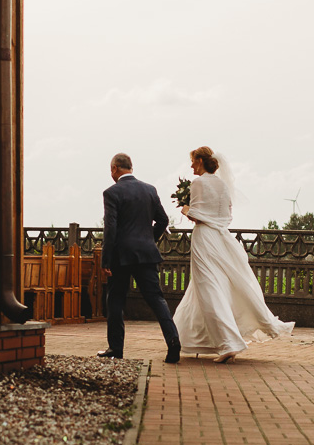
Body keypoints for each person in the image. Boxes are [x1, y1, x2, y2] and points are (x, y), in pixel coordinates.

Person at [176, 146, 294, 363]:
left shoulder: (198, 183)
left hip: (204, 239)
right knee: (215, 286)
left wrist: (185, 210)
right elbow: (226, 215)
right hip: (221, 237)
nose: (191, 165)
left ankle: (229, 342)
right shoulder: (222, 184)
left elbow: (197, 214)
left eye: (193, 161)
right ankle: (204, 339)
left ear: (201, 161)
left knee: (209, 288)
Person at [99, 153, 182, 363]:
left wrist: (106, 259)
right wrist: (149, 239)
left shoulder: (111, 193)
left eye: (111, 170)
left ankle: (115, 349)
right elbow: (163, 220)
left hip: (120, 255)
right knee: (156, 299)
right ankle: (173, 341)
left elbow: (110, 228)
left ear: (115, 168)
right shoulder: (150, 190)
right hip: (146, 253)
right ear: (131, 167)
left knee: (116, 299)